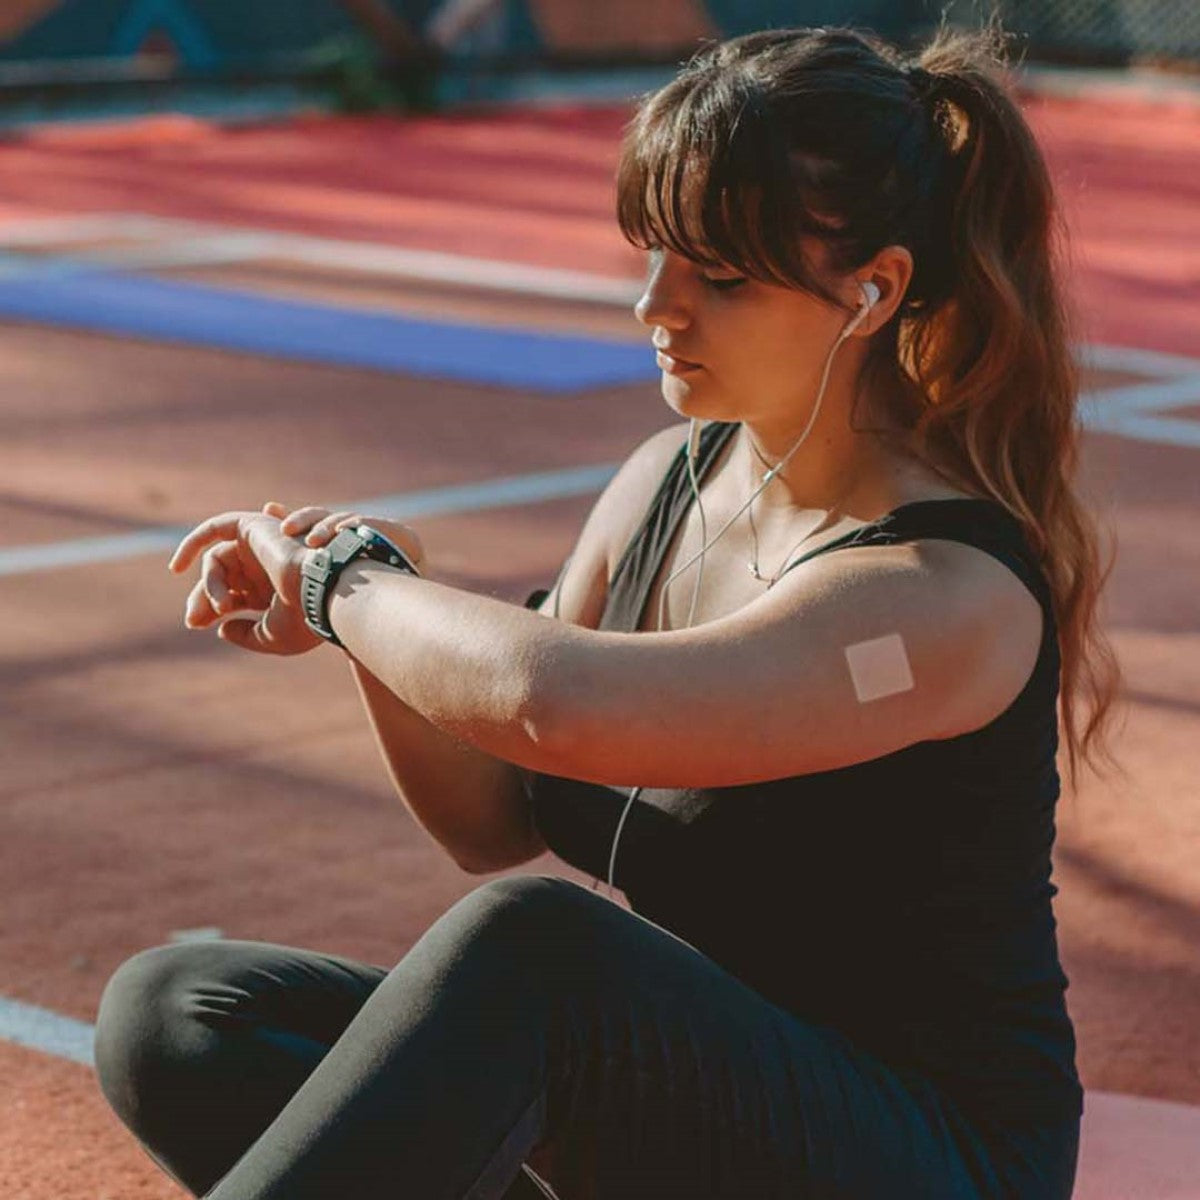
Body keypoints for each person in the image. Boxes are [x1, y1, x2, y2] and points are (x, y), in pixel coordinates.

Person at [92, 15, 1123, 1200]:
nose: (657, 306)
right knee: (183, 1013)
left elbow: (546, 703)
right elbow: (493, 817)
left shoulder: (942, 597)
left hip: (924, 1159)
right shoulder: (668, 483)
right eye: (654, 253)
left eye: (720, 276)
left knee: (540, 953)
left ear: (874, 289)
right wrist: (373, 622)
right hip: (707, 1131)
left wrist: (348, 585)